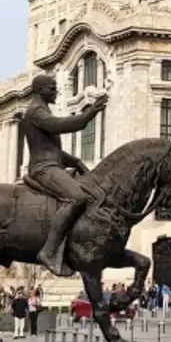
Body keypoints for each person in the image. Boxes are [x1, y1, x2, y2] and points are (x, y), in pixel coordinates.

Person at [22, 74, 107, 276]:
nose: (56, 92)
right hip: (44, 169)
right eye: (52, 88)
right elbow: (59, 125)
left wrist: (77, 162)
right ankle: (49, 251)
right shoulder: (36, 111)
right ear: (41, 90)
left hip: (53, 165)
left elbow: (52, 150)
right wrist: (90, 113)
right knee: (76, 198)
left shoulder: (41, 109)